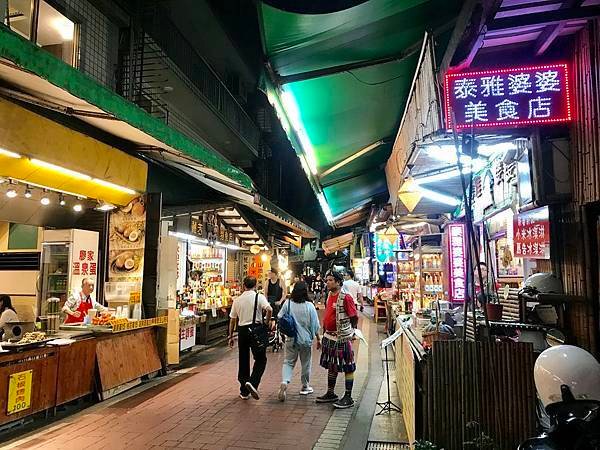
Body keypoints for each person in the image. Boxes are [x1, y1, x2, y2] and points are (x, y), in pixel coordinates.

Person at [316, 271, 358, 409]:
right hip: (329, 336)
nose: (327, 282)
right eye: (326, 280)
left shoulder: (346, 298)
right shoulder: (329, 296)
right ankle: (330, 392)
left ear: (338, 282)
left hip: (342, 337)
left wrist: (352, 332)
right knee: (332, 365)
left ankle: (348, 396)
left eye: (330, 280)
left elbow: (353, 316)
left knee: (348, 366)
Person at [228, 276, 273, 400]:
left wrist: (230, 336)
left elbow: (232, 320)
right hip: (256, 330)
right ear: (255, 286)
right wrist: (266, 322)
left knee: (243, 359)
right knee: (260, 359)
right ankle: (253, 383)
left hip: (242, 330)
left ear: (244, 285)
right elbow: (269, 309)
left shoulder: (237, 300)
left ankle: (244, 390)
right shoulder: (259, 297)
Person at [277, 281, 321, 402]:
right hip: (306, 340)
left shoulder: (288, 304)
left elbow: (280, 317)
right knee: (306, 363)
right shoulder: (309, 306)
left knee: (288, 362)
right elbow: (315, 325)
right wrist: (318, 338)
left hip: (291, 338)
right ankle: (305, 386)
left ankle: (285, 381)